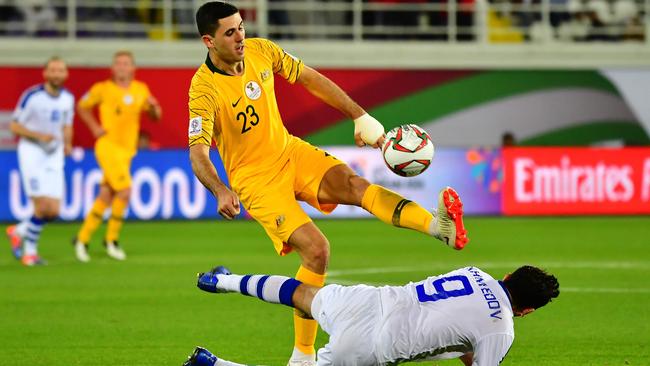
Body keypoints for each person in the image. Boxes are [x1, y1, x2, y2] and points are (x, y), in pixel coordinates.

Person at [188, 3, 468, 364]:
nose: (240, 36)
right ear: (209, 41)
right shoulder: (203, 88)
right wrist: (221, 189)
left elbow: (310, 78)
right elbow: (197, 152)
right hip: (256, 180)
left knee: (354, 185)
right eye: (230, 32)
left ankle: (436, 225)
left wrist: (359, 115)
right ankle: (302, 355)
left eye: (241, 27)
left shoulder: (261, 50)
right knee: (317, 250)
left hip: (290, 152)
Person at [184, 264, 560, 365]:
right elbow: (476, 340)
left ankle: (223, 280)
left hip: (371, 301)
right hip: (374, 347)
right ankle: (212, 364)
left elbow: (459, 322)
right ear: (526, 310)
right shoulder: (501, 330)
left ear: (507, 275)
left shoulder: (476, 273)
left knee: (301, 294)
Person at [73, 50, 162, 262]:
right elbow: (82, 106)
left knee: (106, 195)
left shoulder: (141, 89)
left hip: (127, 152)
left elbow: (155, 116)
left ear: (133, 68)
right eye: (118, 63)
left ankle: (82, 238)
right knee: (125, 191)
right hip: (108, 147)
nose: (122, 67)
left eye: (126, 63)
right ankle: (111, 239)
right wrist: (95, 127)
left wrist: (155, 107)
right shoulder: (102, 89)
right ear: (113, 68)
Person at [5, 56, 74, 266]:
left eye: (60, 70)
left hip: (54, 153)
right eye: (52, 70)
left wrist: (68, 144)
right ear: (45, 73)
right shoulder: (32, 97)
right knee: (42, 205)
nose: (56, 74)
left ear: (66, 74)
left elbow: (67, 124)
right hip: (32, 151)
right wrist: (38, 136)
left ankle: (17, 231)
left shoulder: (68, 98)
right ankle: (30, 253)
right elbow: (14, 126)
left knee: (54, 211)